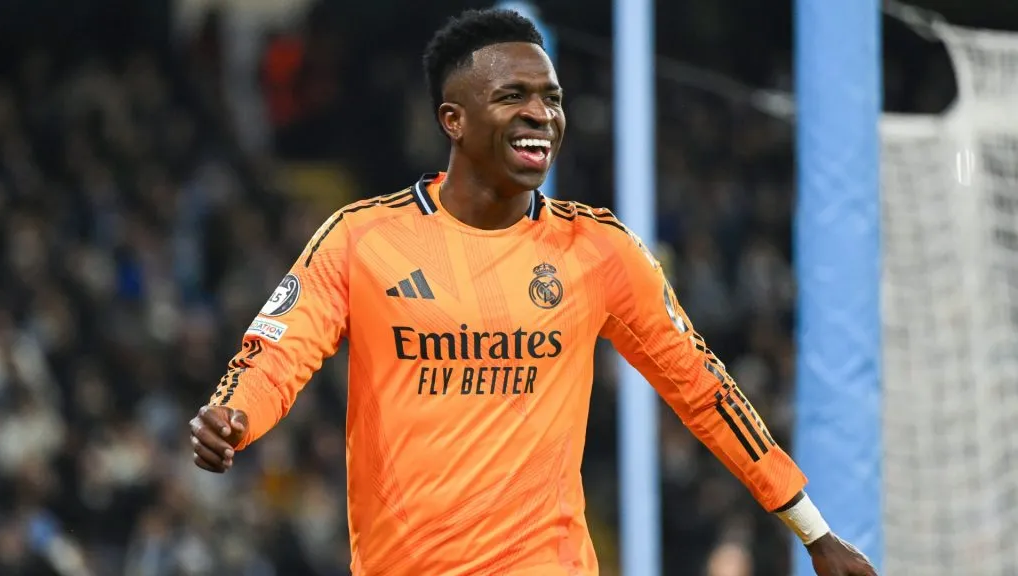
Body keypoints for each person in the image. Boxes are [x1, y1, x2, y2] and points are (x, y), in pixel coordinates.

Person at [189, 8, 878, 576]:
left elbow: (704, 388)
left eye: (550, 97)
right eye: (512, 96)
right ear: (452, 119)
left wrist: (811, 530)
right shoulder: (362, 239)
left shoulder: (598, 250)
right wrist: (235, 413)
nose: (540, 114)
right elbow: (278, 351)